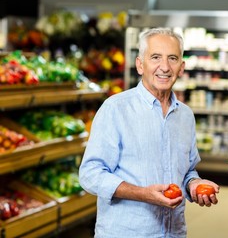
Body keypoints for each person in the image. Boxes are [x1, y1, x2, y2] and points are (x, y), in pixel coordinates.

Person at [79, 27, 220, 238]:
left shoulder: (185, 116)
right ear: (140, 64)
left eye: (172, 58)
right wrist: (142, 194)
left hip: (173, 232)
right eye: (155, 57)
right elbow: (90, 174)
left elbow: (187, 170)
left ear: (181, 67)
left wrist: (194, 184)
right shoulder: (115, 109)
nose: (164, 67)